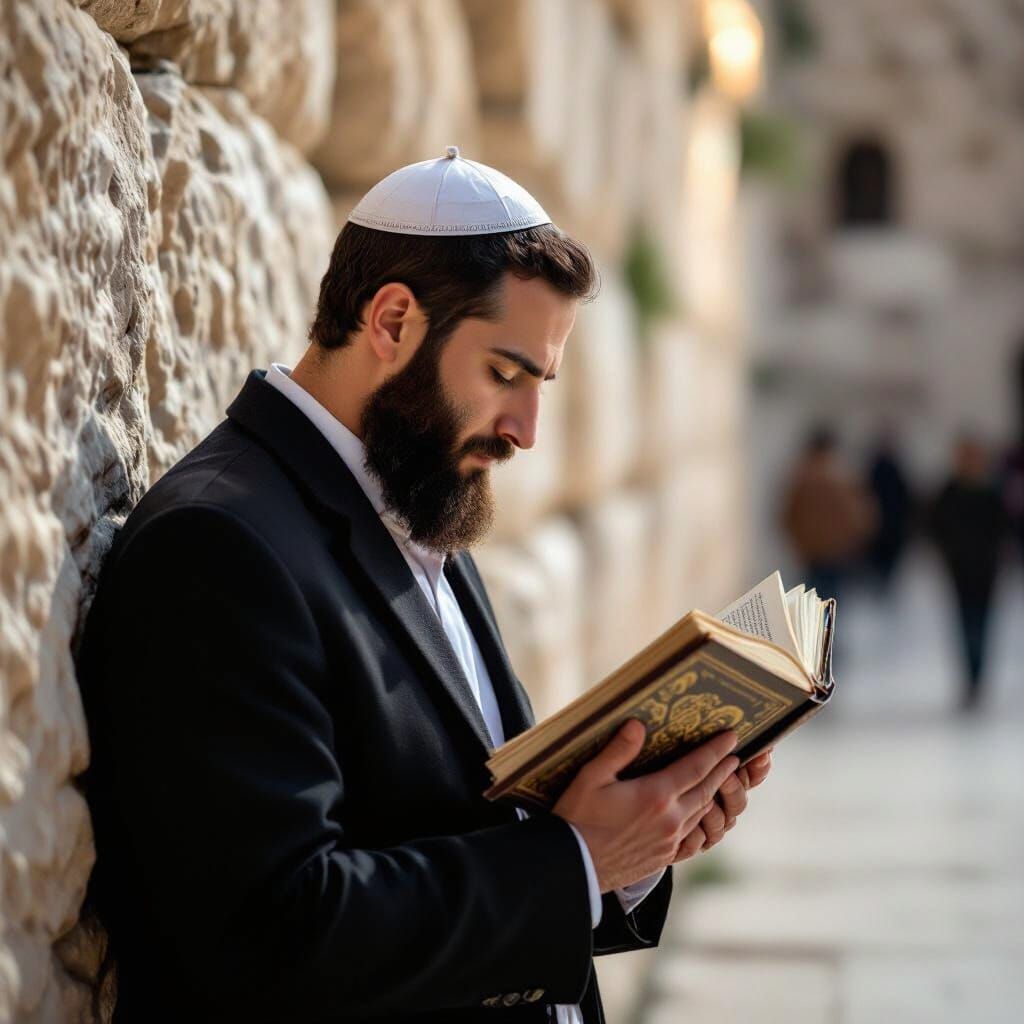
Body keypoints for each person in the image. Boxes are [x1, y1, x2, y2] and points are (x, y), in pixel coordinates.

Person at [75, 148, 772, 1024]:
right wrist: (577, 862)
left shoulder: (421, 503)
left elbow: (474, 832)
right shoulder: (217, 548)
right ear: (394, 321)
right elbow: (272, 932)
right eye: (505, 374)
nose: (525, 430)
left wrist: (634, 846)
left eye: (540, 384)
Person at [928, 432, 1012, 711]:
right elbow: (935, 526)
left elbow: (1005, 528)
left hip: (986, 570)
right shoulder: (950, 491)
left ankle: (978, 678)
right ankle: (970, 679)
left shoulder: (992, 491)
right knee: (965, 625)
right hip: (960, 569)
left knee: (983, 625)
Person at [780, 425, 877, 605]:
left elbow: (787, 516)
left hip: (812, 554)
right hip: (835, 554)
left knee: (811, 602)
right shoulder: (841, 477)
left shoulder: (802, 477)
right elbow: (861, 518)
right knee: (832, 601)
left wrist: (802, 543)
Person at [864, 426, 915, 594]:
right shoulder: (894, 469)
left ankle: (882, 586)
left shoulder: (875, 468)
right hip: (887, 526)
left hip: (884, 526)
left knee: (883, 561)